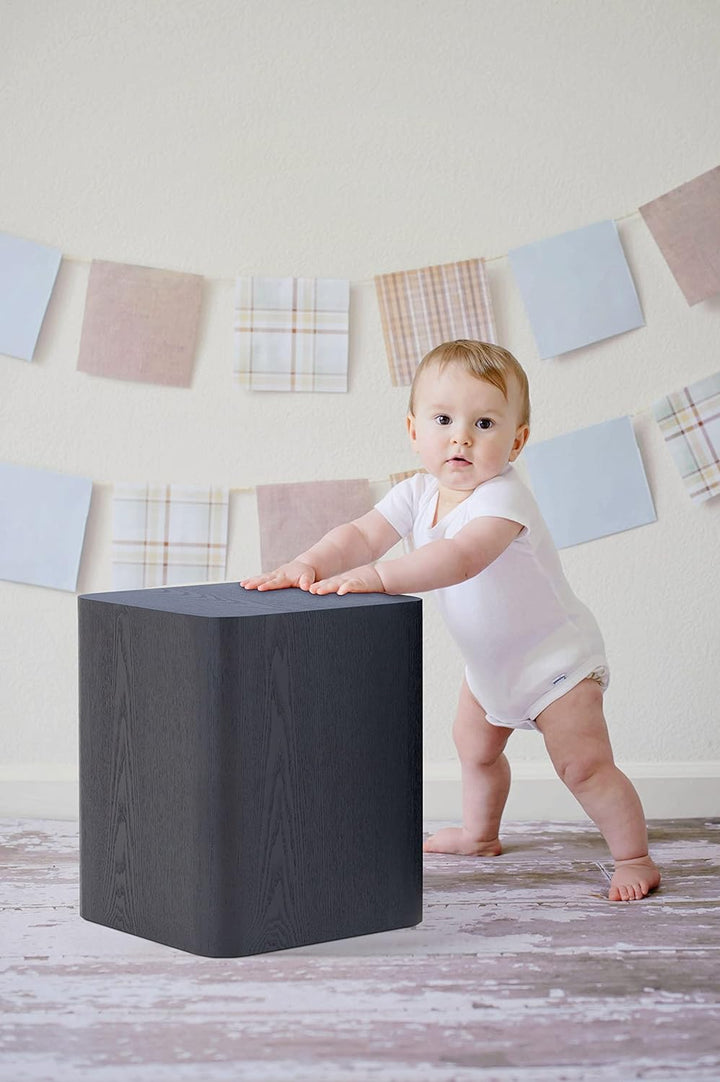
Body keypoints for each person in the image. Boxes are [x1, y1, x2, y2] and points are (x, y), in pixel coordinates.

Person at [240, 339, 661, 903]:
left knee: (583, 766)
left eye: (484, 423)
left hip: (556, 664)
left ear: (517, 440)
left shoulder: (504, 500)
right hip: (489, 667)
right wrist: (308, 562)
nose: (461, 436)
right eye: (444, 419)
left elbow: (459, 559)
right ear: (414, 430)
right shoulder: (415, 494)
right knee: (475, 749)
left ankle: (634, 856)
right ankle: (480, 834)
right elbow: (362, 535)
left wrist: (379, 577)